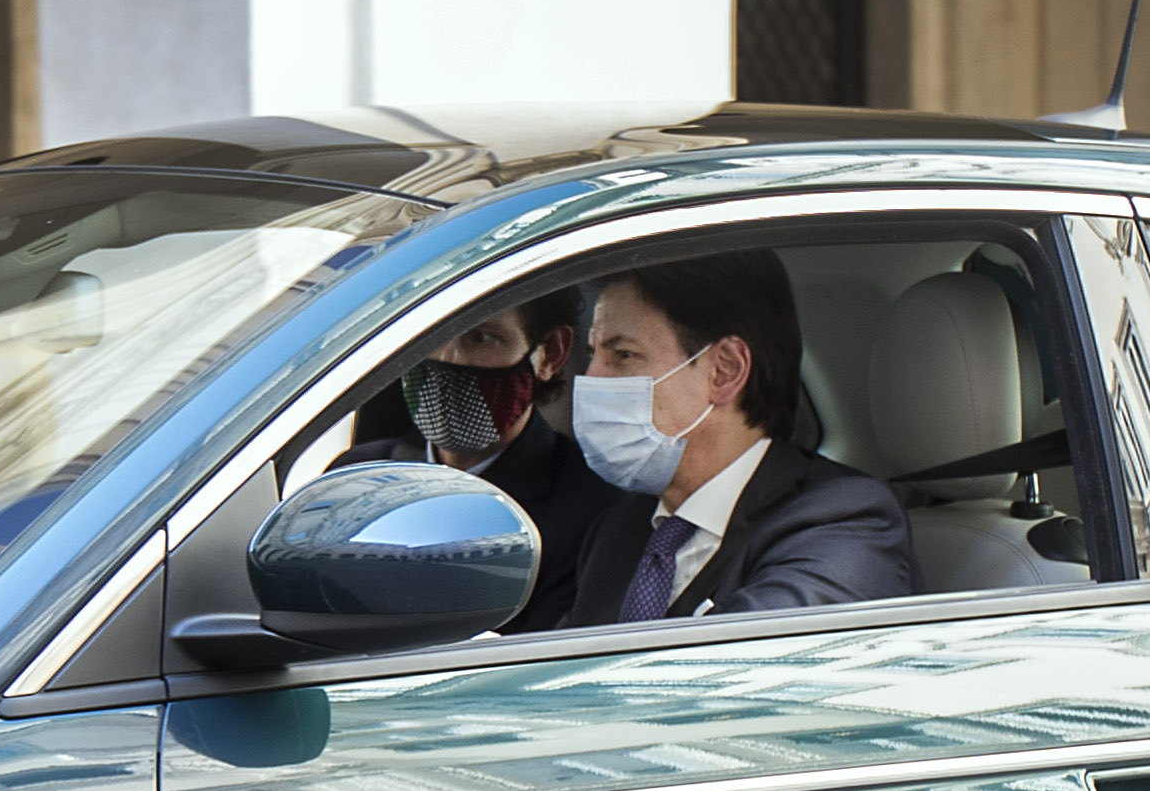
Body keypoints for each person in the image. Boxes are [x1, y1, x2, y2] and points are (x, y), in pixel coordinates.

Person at [560, 252, 915, 625]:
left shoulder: (846, 522)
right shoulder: (620, 530)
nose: (592, 379)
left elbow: (743, 670)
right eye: (593, 354)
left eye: (623, 355)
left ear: (725, 371)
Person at [342, 292, 620, 633]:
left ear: (550, 353)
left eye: (481, 337)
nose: (449, 356)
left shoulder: (594, 510)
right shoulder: (355, 478)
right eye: (432, 333)